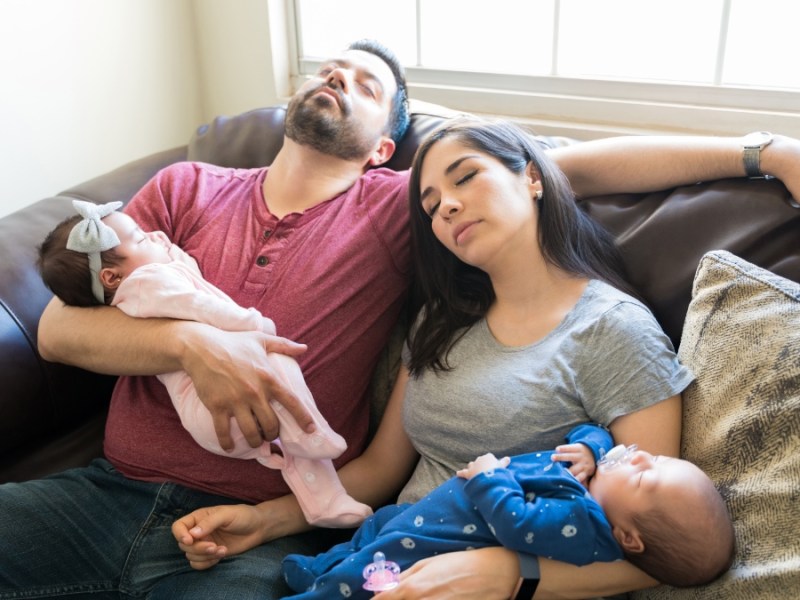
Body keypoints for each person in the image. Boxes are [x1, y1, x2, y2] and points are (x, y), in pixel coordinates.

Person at [17, 33, 799, 598]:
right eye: (328, 69)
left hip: (324, 548)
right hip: (117, 492)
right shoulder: (185, 191)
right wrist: (192, 348)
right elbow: (53, 329)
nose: (334, 78)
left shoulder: (409, 211)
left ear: (386, 145)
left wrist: (762, 150)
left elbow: (560, 171)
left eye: (363, 82)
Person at [36, 199, 372, 528]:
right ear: (111, 277)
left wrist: (159, 247)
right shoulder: (146, 284)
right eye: (141, 237)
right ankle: (310, 431)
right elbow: (201, 306)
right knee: (275, 360)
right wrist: (252, 323)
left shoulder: (144, 282)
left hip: (214, 423)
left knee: (291, 452)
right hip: (213, 408)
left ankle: (324, 501)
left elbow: (185, 272)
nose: (154, 235)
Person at [279, 432, 733, 599]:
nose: (636, 459)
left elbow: (517, 523)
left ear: (629, 538)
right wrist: (593, 449)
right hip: (416, 516)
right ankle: (320, 567)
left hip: (429, 545)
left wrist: (488, 477)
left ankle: (320, 588)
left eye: (643, 479)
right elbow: (595, 430)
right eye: (651, 457)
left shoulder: (586, 529)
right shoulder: (590, 477)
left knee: (367, 571)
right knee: (373, 530)